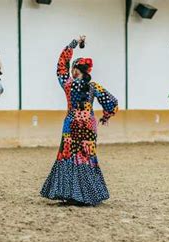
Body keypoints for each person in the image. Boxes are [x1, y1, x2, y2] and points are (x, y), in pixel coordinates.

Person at [40, 36, 119, 206]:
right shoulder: (94, 87)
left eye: (73, 68)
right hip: (89, 126)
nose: (70, 71)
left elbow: (61, 66)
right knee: (87, 157)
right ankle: (88, 195)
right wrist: (106, 116)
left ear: (76, 70)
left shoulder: (68, 84)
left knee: (68, 156)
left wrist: (73, 44)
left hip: (71, 124)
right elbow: (112, 102)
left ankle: (70, 194)